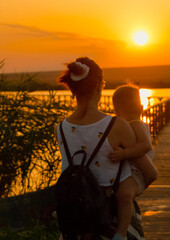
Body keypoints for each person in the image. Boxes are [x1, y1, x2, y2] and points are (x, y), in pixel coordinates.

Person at [56, 57, 155, 240]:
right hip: (110, 222)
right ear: (99, 87)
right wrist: (129, 192)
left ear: (72, 89)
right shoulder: (117, 126)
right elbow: (150, 173)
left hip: (76, 224)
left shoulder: (60, 128)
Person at [108, 84, 159, 238]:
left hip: (137, 171)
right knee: (121, 195)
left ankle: (121, 233)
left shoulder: (135, 124)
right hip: (129, 170)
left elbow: (145, 145)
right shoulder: (126, 124)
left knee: (124, 195)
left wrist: (124, 153)